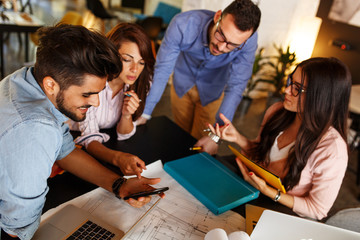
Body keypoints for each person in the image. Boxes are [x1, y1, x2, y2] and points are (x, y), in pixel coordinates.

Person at [0, 24, 163, 240]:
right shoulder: (36, 131)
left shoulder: (27, 80)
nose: (95, 102)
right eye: (87, 94)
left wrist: (119, 185)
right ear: (51, 85)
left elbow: (65, 150)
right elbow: (16, 231)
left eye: (98, 93)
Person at [209, 57, 351, 220]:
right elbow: (261, 157)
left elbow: (317, 209)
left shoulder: (332, 149)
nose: (287, 90)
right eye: (291, 81)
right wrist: (238, 138)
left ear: (320, 98)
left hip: (280, 208)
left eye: (297, 88)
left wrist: (270, 193)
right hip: (254, 186)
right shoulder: (277, 111)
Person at [136, 0, 261, 154]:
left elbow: (236, 86)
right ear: (217, 17)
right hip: (182, 84)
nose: (221, 47)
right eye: (221, 35)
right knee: (180, 137)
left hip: (213, 92)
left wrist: (216, 137)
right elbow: (162, 69)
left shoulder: (248, 41)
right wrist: (145, 112)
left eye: (232, 45)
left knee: (201, 149)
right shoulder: (183, 24)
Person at [68, 23, 154, 178]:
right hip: (68, 135)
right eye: (127, 59)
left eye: (141, 62)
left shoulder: (141, 83)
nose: (135, 69)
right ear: (112, 55)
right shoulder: (93, 80)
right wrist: (118, 158)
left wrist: (127, 115)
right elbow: (89, 138)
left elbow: (124, 134)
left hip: (107, 143)